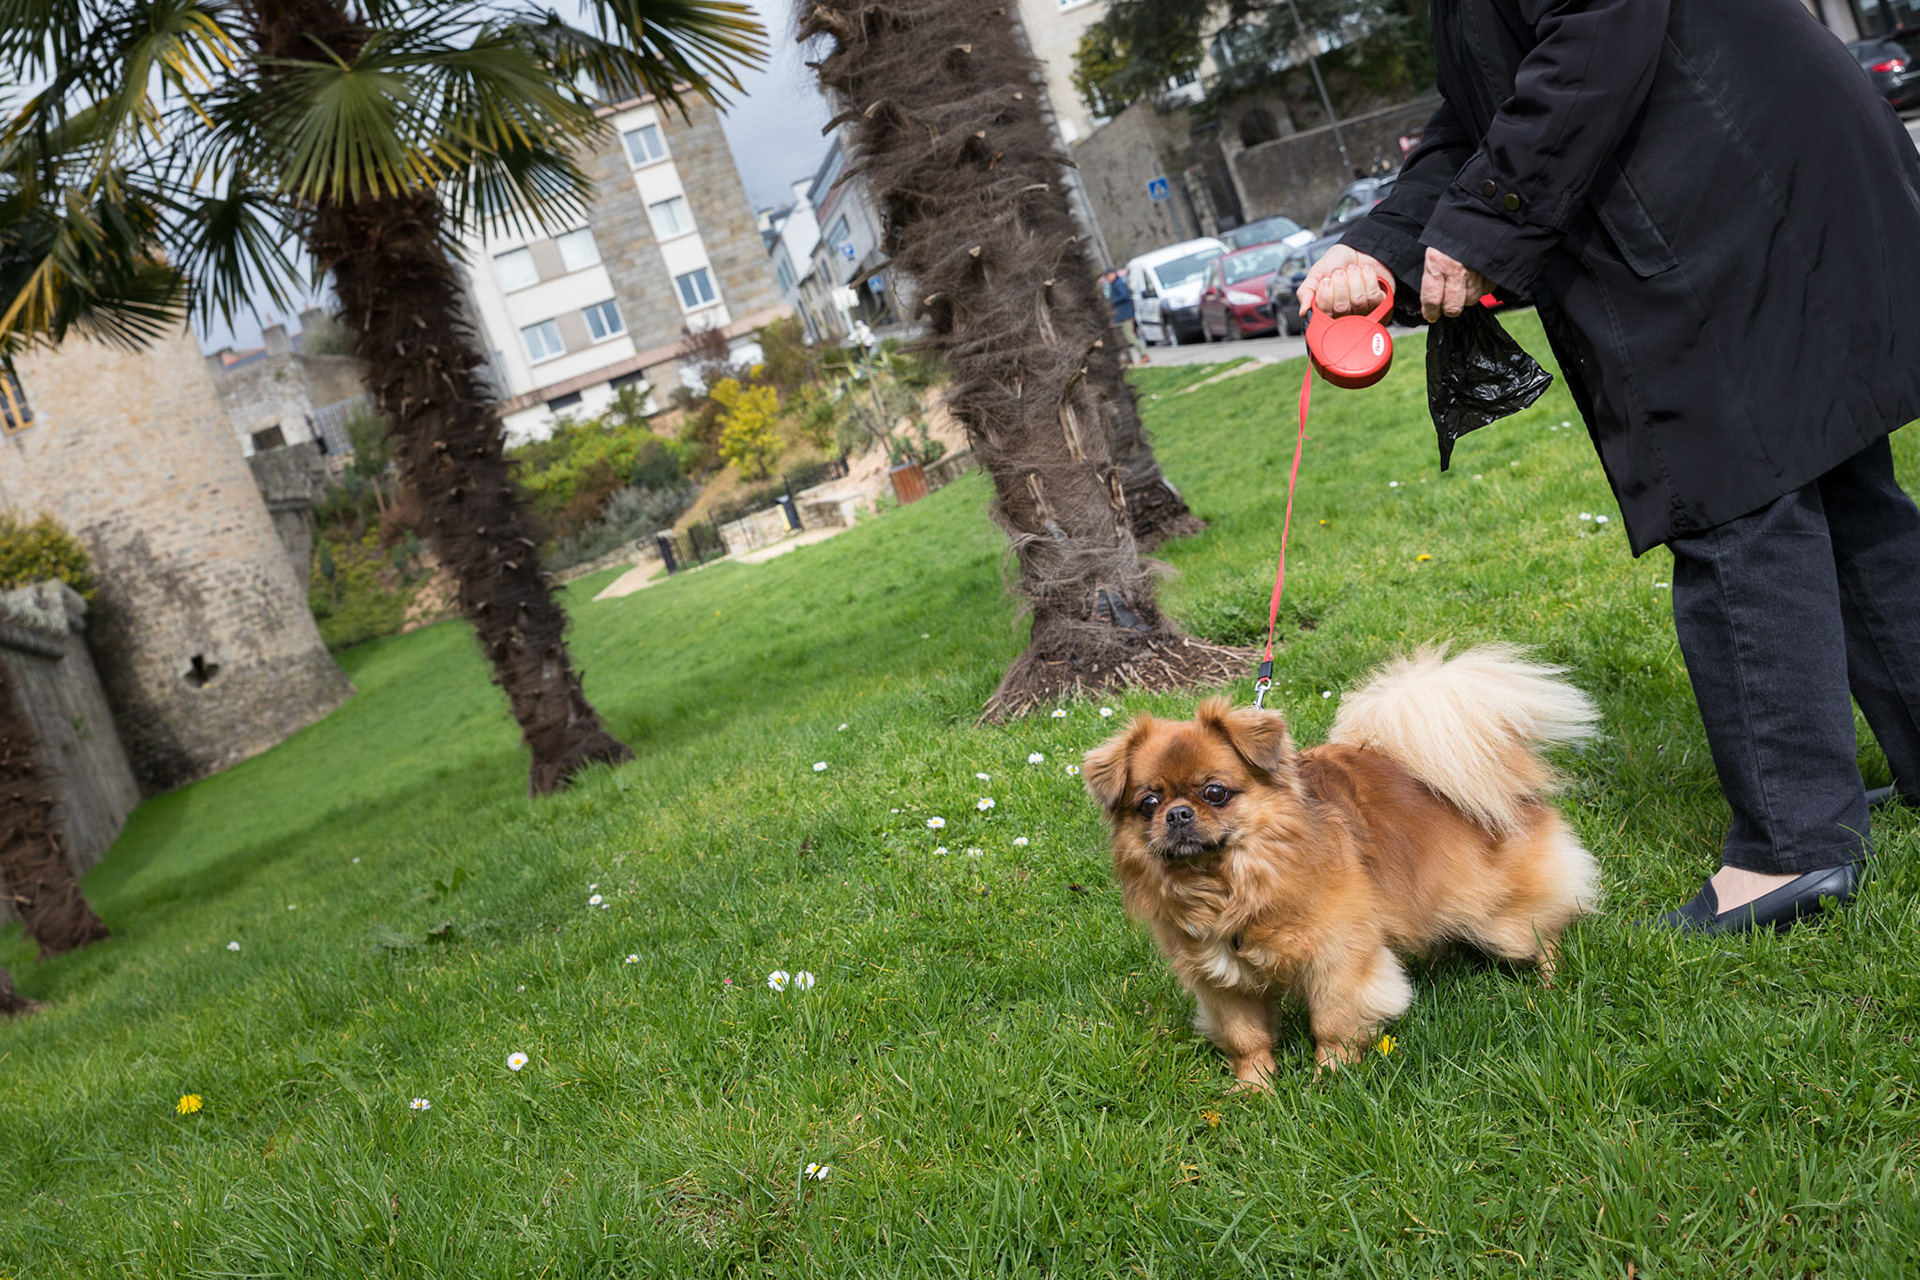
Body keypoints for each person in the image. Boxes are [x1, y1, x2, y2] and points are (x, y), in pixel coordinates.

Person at [1297, 0, 1920, 936]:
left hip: (1720, 195)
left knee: (1729, 498)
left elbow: (1596, 30)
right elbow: (1483, 114)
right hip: (1765, 168)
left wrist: (1483, 222)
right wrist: (1379, 245)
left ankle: (1793, 847)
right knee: (1843, 486)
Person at [1105, 268, 1149, 366]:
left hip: (1126, 315)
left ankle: (1144, 355)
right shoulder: (1113, 284)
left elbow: (1124, 295)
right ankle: (1130, 359)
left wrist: (1113, 301)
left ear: (1113, 274)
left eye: (1109, 276)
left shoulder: (1118, 283)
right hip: (1120, 316)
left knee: (1130, 337)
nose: (1108, 278)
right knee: (1124, 338)